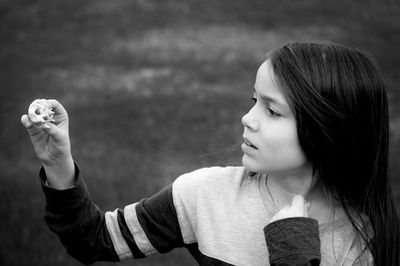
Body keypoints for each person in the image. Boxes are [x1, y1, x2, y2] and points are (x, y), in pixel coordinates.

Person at [21, 42, 399, 265]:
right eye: (254, 101)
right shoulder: (203, 197)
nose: (247, 119)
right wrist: (58, 162)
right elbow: (93, 240)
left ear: (329, 130)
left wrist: (293, 249)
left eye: (272, 110)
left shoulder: (369, 239)